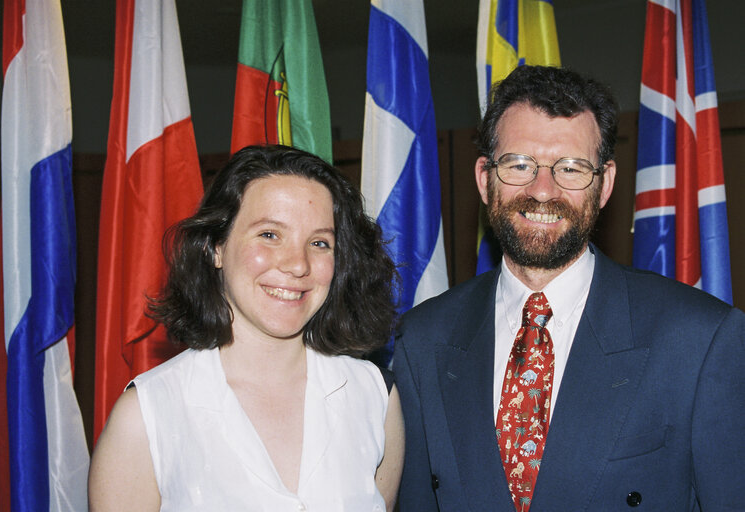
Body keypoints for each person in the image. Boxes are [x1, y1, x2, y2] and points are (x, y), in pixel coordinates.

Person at [393, 65, 745, 511]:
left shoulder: (701, 339)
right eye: (519, 164)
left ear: (604, 185)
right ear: (485, 178)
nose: (543, 190)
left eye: (572, 168)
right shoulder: (422, 340)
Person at [89, 145, 405, 511]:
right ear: (216, 248)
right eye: (269, 234)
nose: (297, 264)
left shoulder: (376, 397)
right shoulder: (145, 415)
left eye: (319, 243)